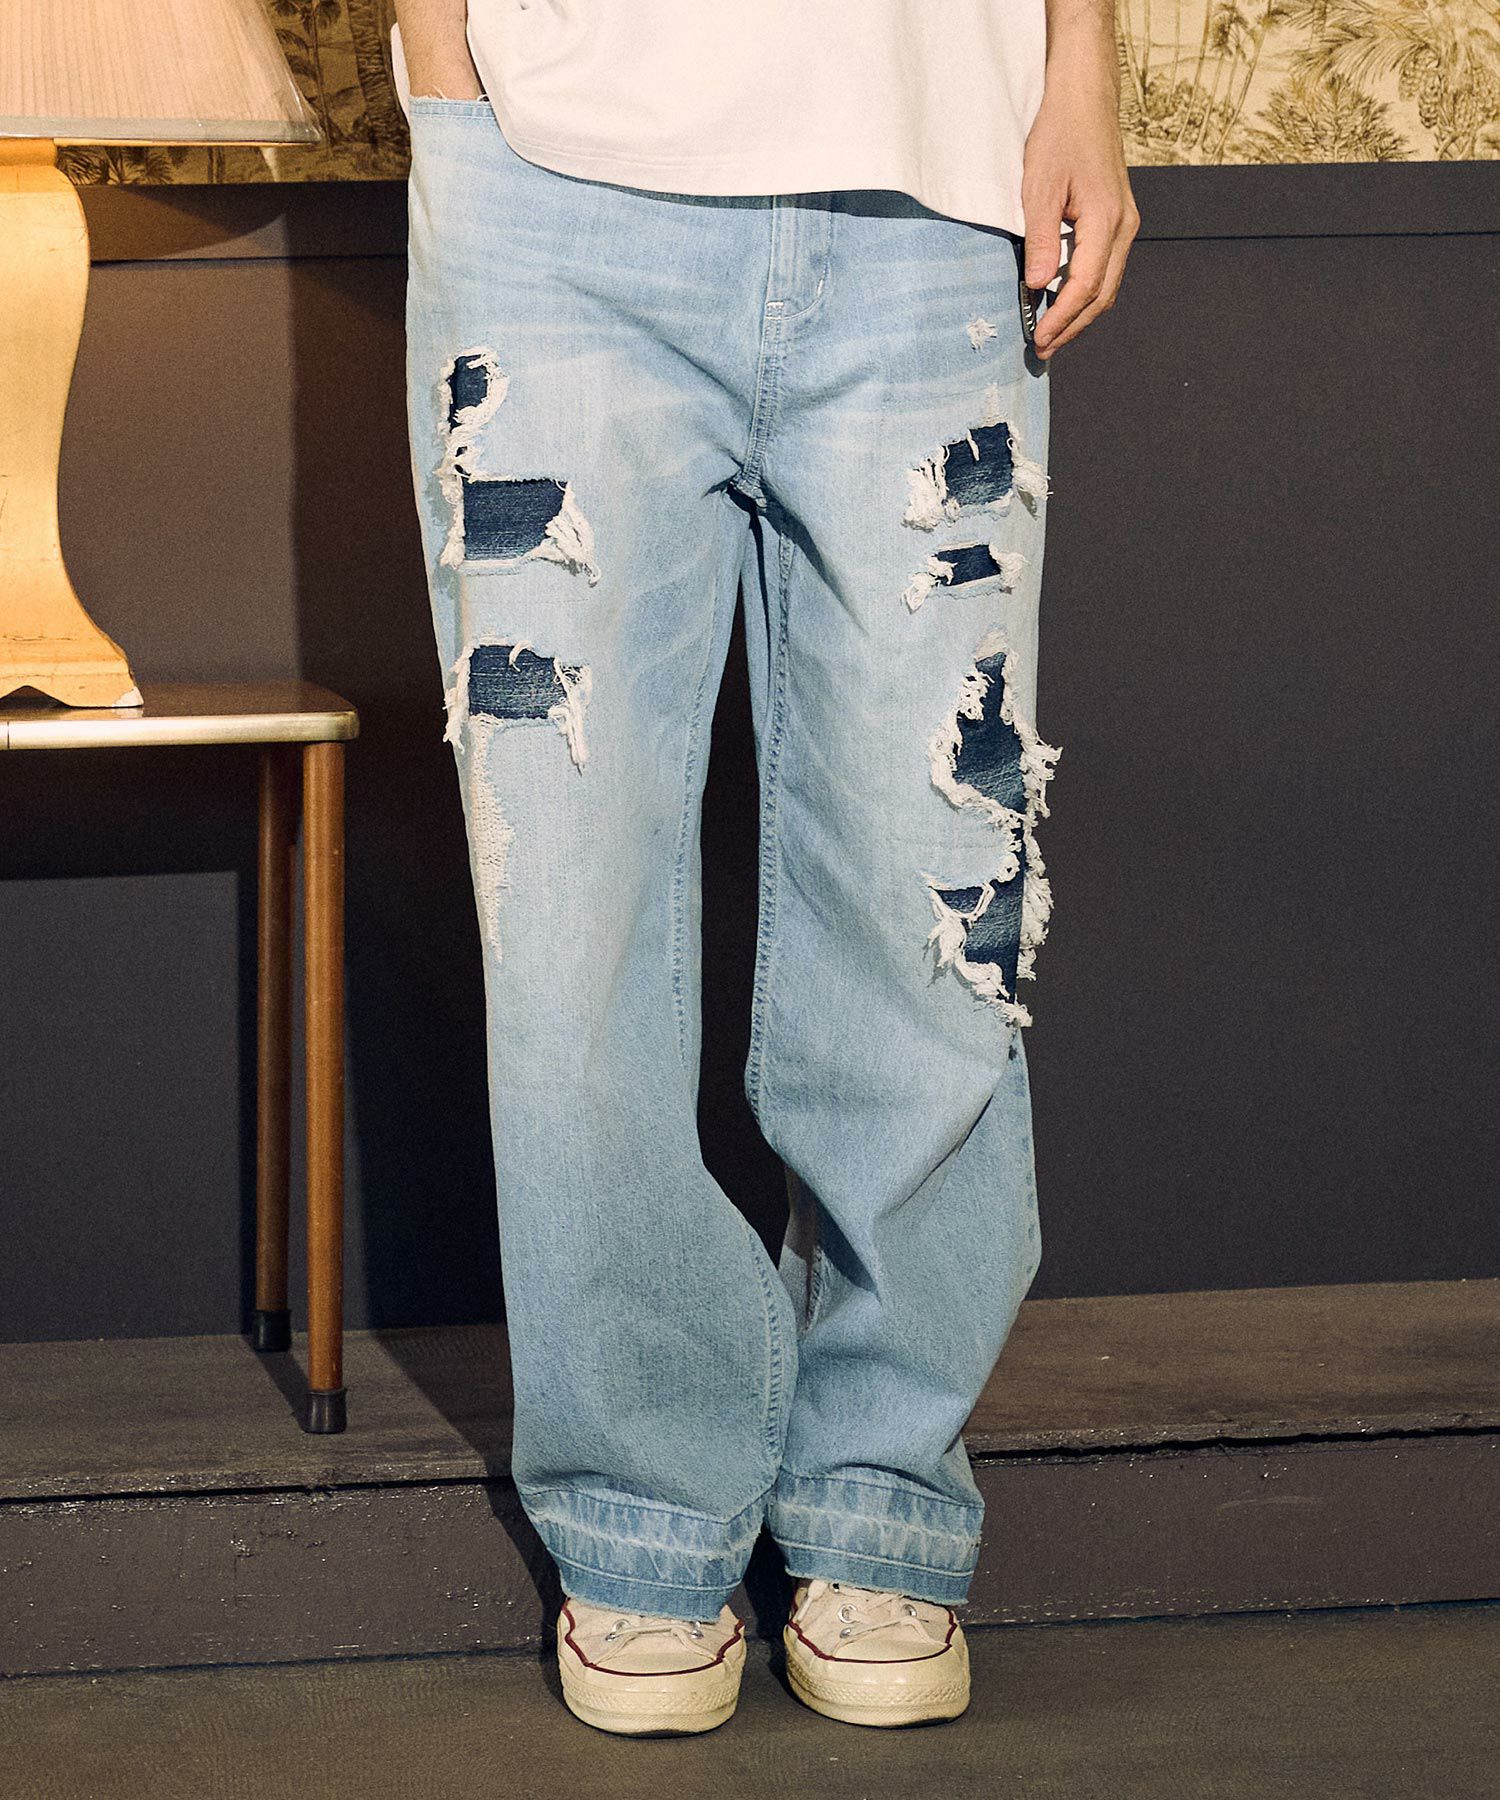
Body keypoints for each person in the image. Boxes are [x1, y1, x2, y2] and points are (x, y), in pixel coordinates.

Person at [392, 0, 1137, 1736]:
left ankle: (881, 1499)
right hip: (557, 191)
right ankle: (644, 1523)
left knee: (934, 887)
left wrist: (1082, 77)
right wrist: (447, 82)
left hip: (939, 202)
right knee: (572, 908)